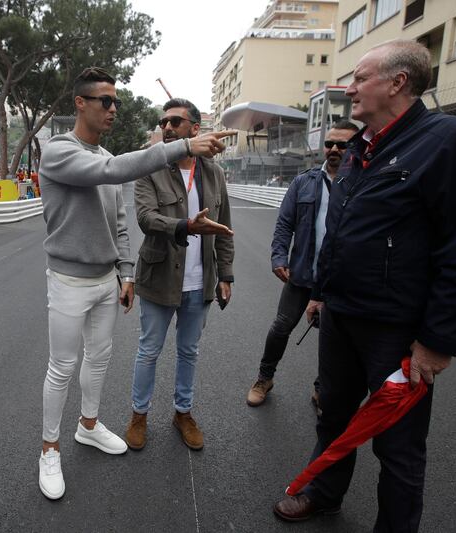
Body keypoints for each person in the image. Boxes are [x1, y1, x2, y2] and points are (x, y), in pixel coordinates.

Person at [273, 40, 456, 530]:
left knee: (397, 445)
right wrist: (322, 294)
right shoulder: (360, 146)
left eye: (360, 77)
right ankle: (325, 492)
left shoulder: (451, 139)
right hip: (342, 315)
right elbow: (344, 233)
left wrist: (438, 341)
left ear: (398, 82)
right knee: (332, 417)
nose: (349, 88)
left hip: (398, 332)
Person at [37, 66, 234, 500]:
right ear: (81, 104)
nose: (112, 108)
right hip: (69, 279)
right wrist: (182, 144)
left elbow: (121, 222)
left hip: (108, 280)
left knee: (99, 361)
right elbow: (111, 172)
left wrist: (125, 272)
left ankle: (88, 426)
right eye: (105, 101)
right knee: (62, 368)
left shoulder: (105, 155)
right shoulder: (58, 151)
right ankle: (49, 448)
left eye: (116, 102)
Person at [124, 98, 235, 452]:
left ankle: (182, 413)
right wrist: (186, 225)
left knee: (189, 352)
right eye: (164, 122)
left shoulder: (214, 173)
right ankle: (139, 415)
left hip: (199, 283)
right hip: (159, 279)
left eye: (175, 121)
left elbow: (225, 227)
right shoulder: (151, 168)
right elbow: (145, 218)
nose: (167, 127)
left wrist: (226, 275)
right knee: (148, 351)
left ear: (195, 129)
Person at [246, 121, 360, 410]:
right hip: (302, 274)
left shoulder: (364, 184)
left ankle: (323, 387)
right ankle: (264, 377)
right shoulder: (303, 182)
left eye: (342, 145)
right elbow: (285, 224)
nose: (334, 149)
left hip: (342, 280)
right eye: (329, 144)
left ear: (355, 147)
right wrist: (279, 257)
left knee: (335, 341)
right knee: (280, 327)